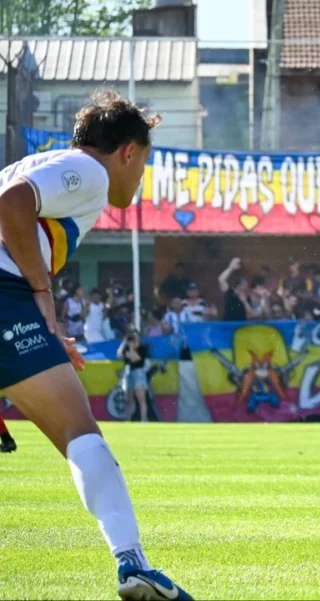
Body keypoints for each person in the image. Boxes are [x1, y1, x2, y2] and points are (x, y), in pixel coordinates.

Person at [0, 90, 191, 599]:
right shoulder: (90, 172)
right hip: (6, 295)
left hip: (10, 302)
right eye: (144, 162)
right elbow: (12, 204)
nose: (140, 178)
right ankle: (132, 562)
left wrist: (43, 325)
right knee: (79, 431)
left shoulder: (42, 163)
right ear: (129, 151)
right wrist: (40, 293)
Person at [117, 333, 150, 423]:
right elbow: (119, 354)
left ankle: (144, 419)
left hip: (139, 372)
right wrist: (124, 343)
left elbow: (136, 358)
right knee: (128, 398)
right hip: (128, 371)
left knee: (141, 398)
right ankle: (128, 419)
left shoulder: (142, 348)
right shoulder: (126, 348)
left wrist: (131, 348)